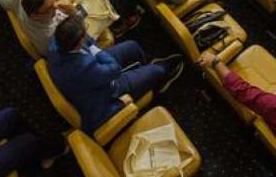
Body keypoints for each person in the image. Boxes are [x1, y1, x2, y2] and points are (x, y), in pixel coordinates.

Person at [47, 15, 183, 133]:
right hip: (105, 90)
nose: (86, 34)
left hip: (91, 66)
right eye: (84, 33)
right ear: (79, 42)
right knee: (157, 71)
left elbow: (89, 42)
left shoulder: (55, 42)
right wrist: (96, 51)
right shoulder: (85, 68)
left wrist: (93, 48)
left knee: (131, 46)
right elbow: (114, 69)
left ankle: (144, 66)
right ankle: (161, 77)